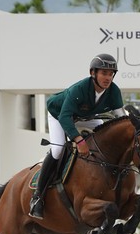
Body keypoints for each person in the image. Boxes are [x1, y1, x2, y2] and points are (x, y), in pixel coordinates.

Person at [30, 54, 126, 219]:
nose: (108, 77)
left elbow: (122, 118)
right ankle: (38, 196)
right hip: (59, 114)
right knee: (58, 149)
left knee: (102, 141)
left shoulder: (114, 91)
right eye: (104, 73)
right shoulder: (79, 89)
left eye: (111, 74)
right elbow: (65, 118)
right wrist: (79, 140)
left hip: (86, 116)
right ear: (93, 73)